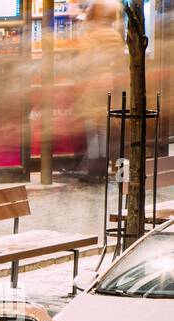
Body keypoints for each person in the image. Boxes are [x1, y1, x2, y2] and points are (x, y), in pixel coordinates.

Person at [77, 0, 127, 184]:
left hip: (92, 84)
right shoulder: (114, 35)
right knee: (103, 129)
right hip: (108, 83)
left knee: (92, 128)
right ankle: (104, 169)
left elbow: (83, 63)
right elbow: (120, 60)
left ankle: (93, 170)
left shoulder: (91, 35)